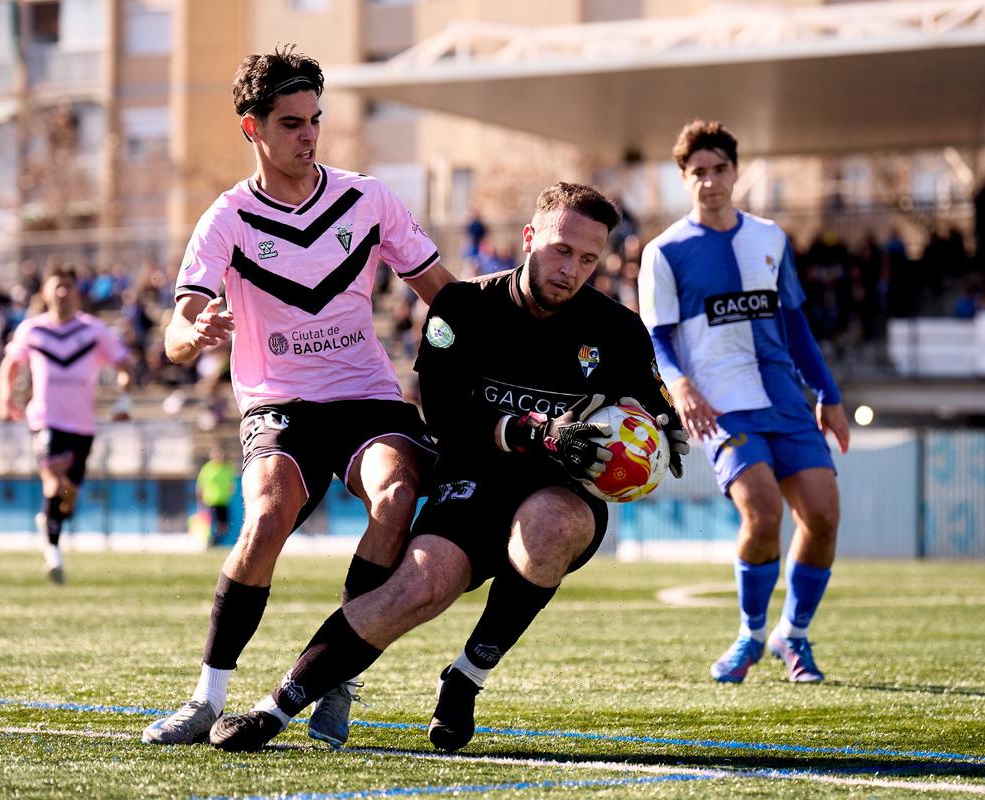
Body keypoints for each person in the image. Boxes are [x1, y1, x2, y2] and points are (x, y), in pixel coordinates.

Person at [201, 182, 689, 754]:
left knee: (547, 529)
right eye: (561, 249)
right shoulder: (464, 307)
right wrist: (534, 430)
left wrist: (660, 428)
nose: (571, 269)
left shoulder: (617, 329)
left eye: (588, 258)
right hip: (475, 481)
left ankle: (465, 679)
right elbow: (443, 414)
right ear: (529, 238)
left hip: (558, 491)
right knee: (417, 588)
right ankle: (275, 708)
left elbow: (651, 400)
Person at [142, 46, 454, 748]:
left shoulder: (367, 198)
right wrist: (198, 333)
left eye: (315, 119)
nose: (308, 134)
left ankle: (336, 679)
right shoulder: (226, 217)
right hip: (278, 403)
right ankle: (205, 698)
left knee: (398, 496)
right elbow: (174, 334)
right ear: (252, 128)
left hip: (368, 399)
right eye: (290, 123)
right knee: (266, 515)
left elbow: (447, 299)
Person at [638, 120, 850, 684]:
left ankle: (793, 635)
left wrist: (827, 393)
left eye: (719, 170)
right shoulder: (664, 253)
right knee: (762, 510)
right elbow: (657, 338)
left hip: (784, 397)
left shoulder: (770, 238)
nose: (710, 182)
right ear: (683, 179)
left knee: (824, 514)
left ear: (736, 172)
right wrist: (679, 386)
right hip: (718, 403)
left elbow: (797, 324)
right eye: (697, 173)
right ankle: (750, 636)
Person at [0, 264, 132, 585]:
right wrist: (5, 395)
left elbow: (124, 364)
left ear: (76, 291)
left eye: (68, 286)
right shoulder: (32, 330)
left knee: (68, 496)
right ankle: (53, 556)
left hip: (83, 425)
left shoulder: (94, 331)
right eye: (56, 285)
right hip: (45, 419)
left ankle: (51, 518)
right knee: (54, 483)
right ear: (44, 292)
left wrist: (124, 398)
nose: (62, 292)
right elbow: (10, 364)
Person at [197, 446, 237, 546]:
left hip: (223, 501)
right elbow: (200, 485)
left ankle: (215, 541)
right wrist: (200, 499)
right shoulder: (207, 468)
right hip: (210, 500)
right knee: (210, 524)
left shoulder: (227, 469)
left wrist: (230, 491)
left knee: (224, 526)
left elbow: (232, 484)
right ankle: (210, 541)